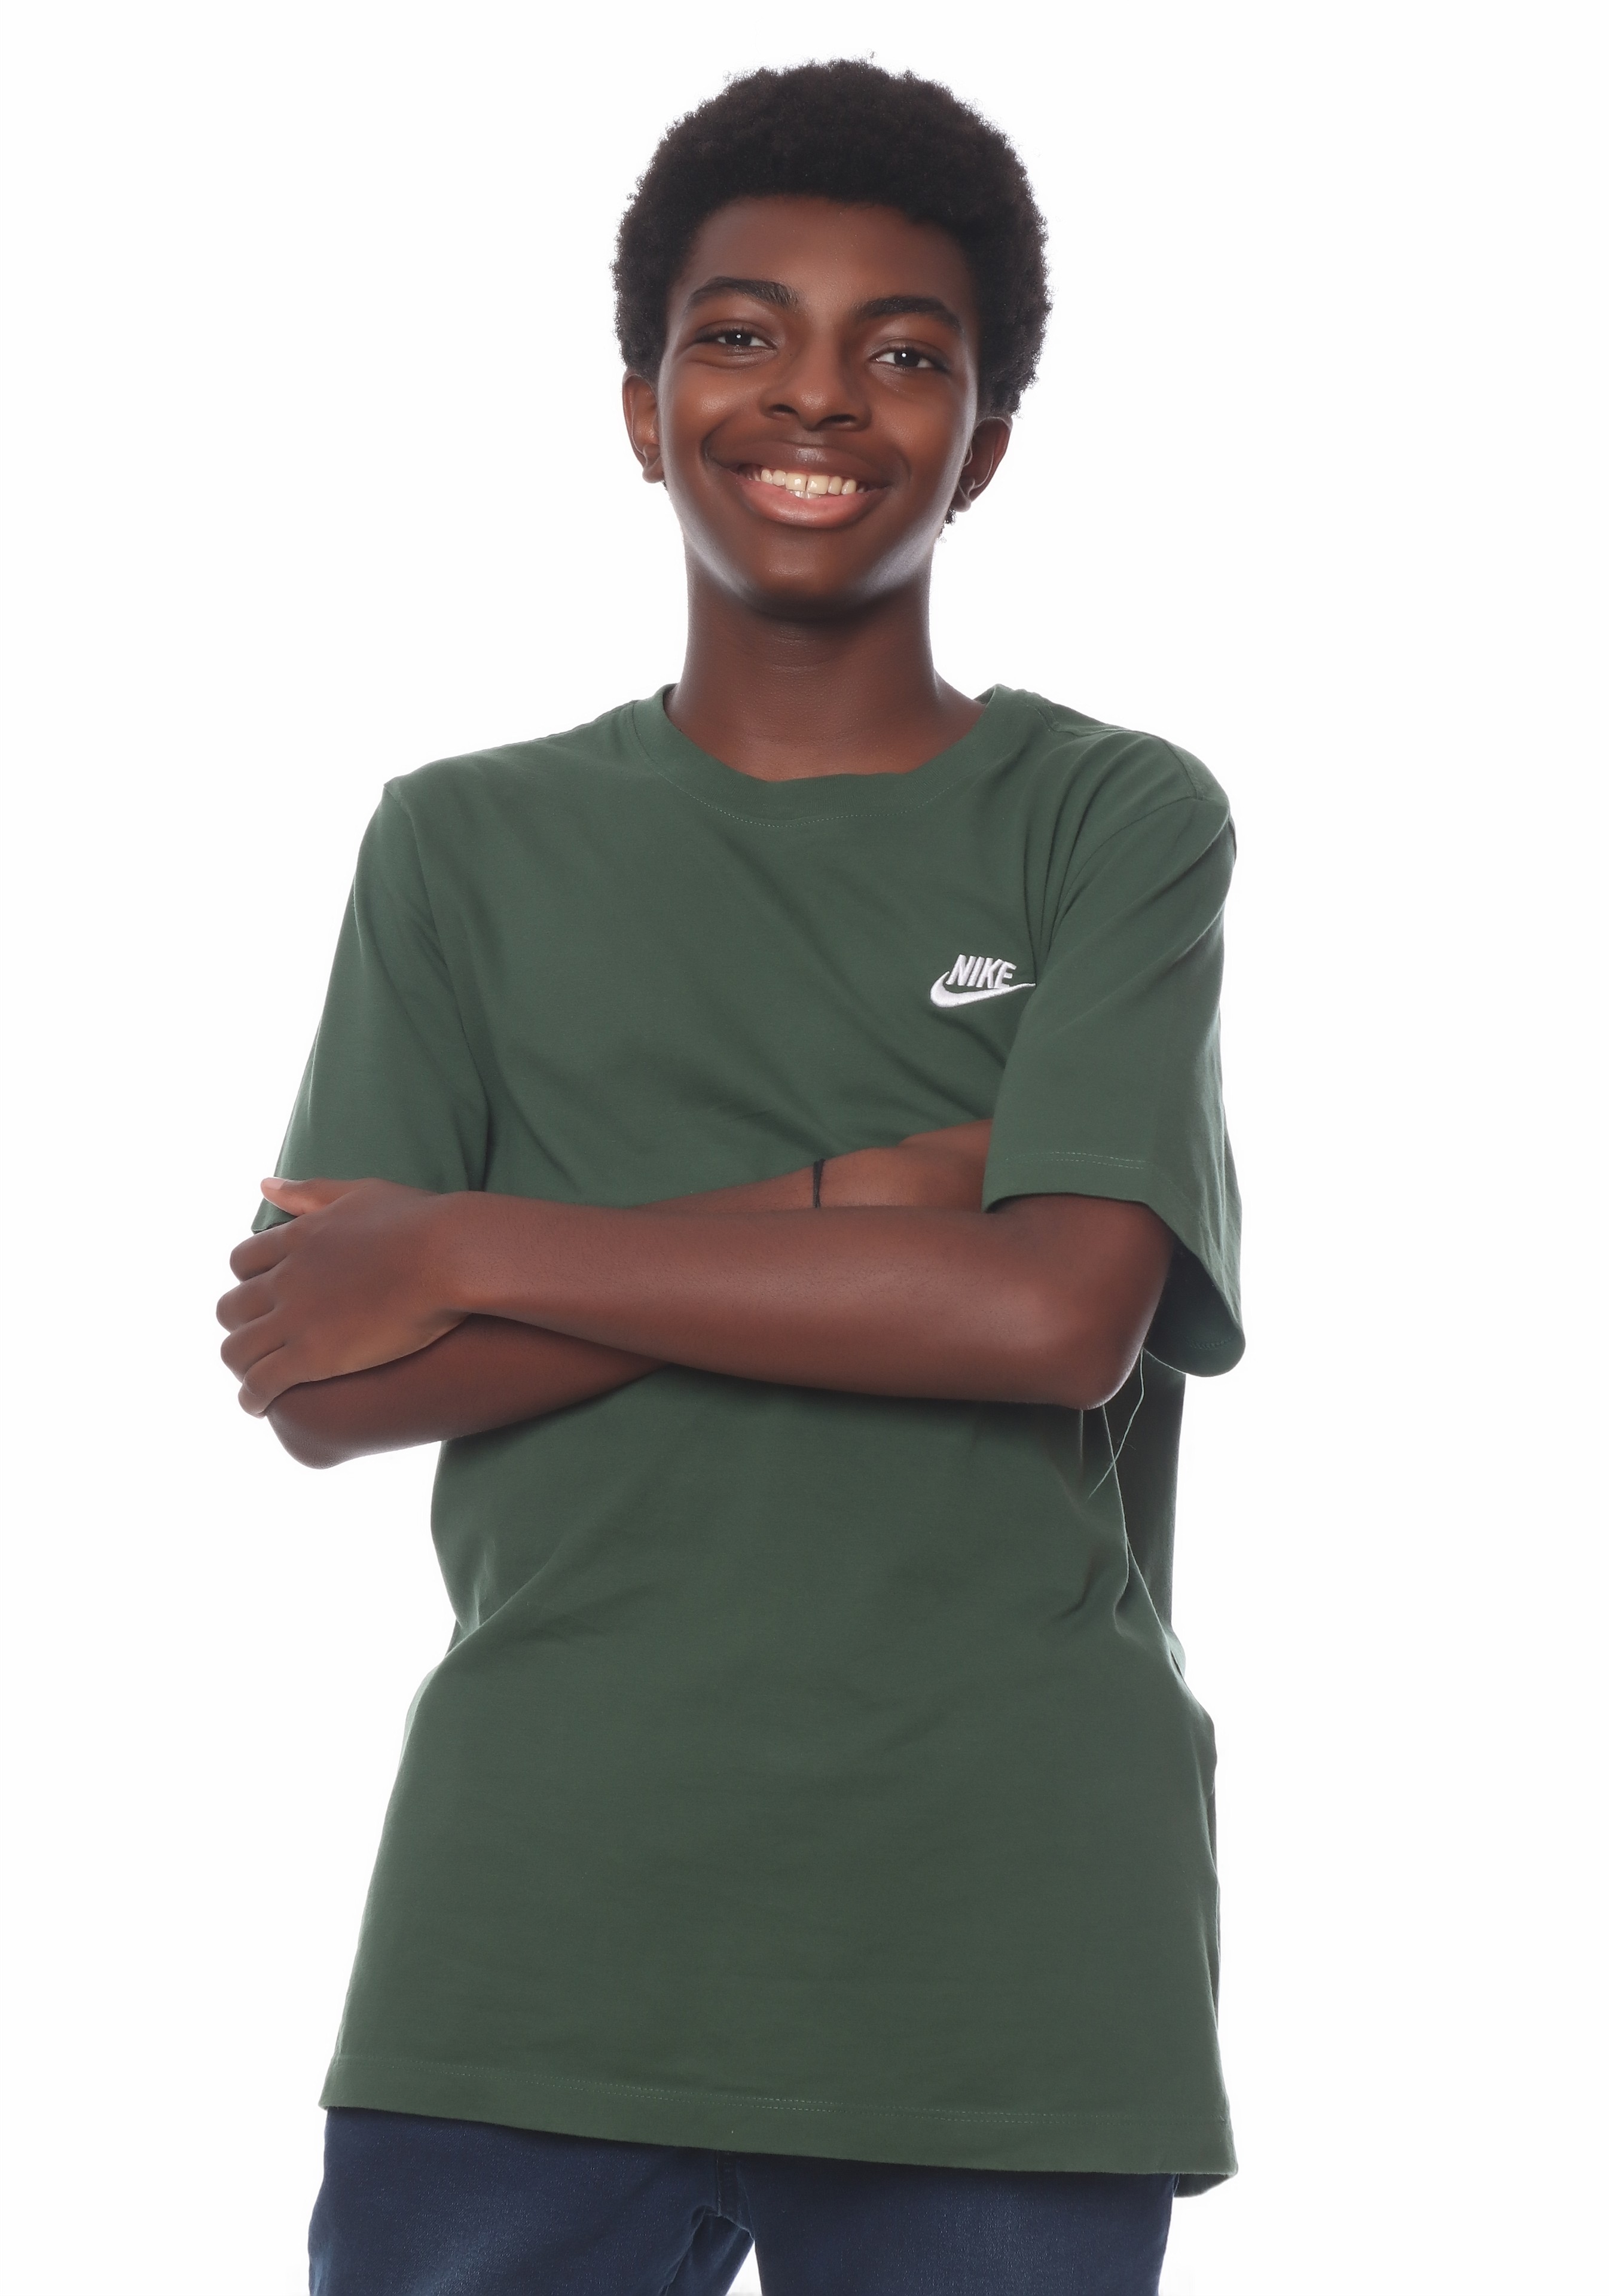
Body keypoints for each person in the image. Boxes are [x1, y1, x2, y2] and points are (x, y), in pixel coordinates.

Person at [218, 57, 1244, 2296]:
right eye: (743, 332)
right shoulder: (461, 842)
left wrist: (471, 1244)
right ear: (639, 405)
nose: (818, 396)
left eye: (907, 352)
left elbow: (1051, 1314)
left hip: (1000, 1945)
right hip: (528, 1929)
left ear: (984, 442)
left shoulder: (1109, 819)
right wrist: (877, 1203)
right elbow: (324, 1378)